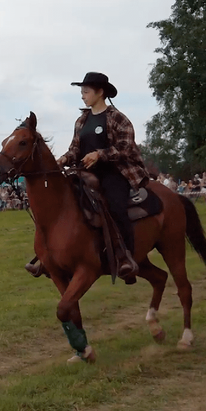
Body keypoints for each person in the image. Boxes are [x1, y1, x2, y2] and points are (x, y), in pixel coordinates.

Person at [44, 72, 149, 281]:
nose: (82, 96)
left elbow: (126, 147)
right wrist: (63, 160)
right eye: (82, 92)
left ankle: (126, 257)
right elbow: (75, 149)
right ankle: (51, 255)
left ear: (100, 92)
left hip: (114, 172)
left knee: (116, 206)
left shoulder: (117, 118)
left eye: (86, 91)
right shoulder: (82, 120)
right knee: (62, 204)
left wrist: (100, 154)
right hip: (85, 174)